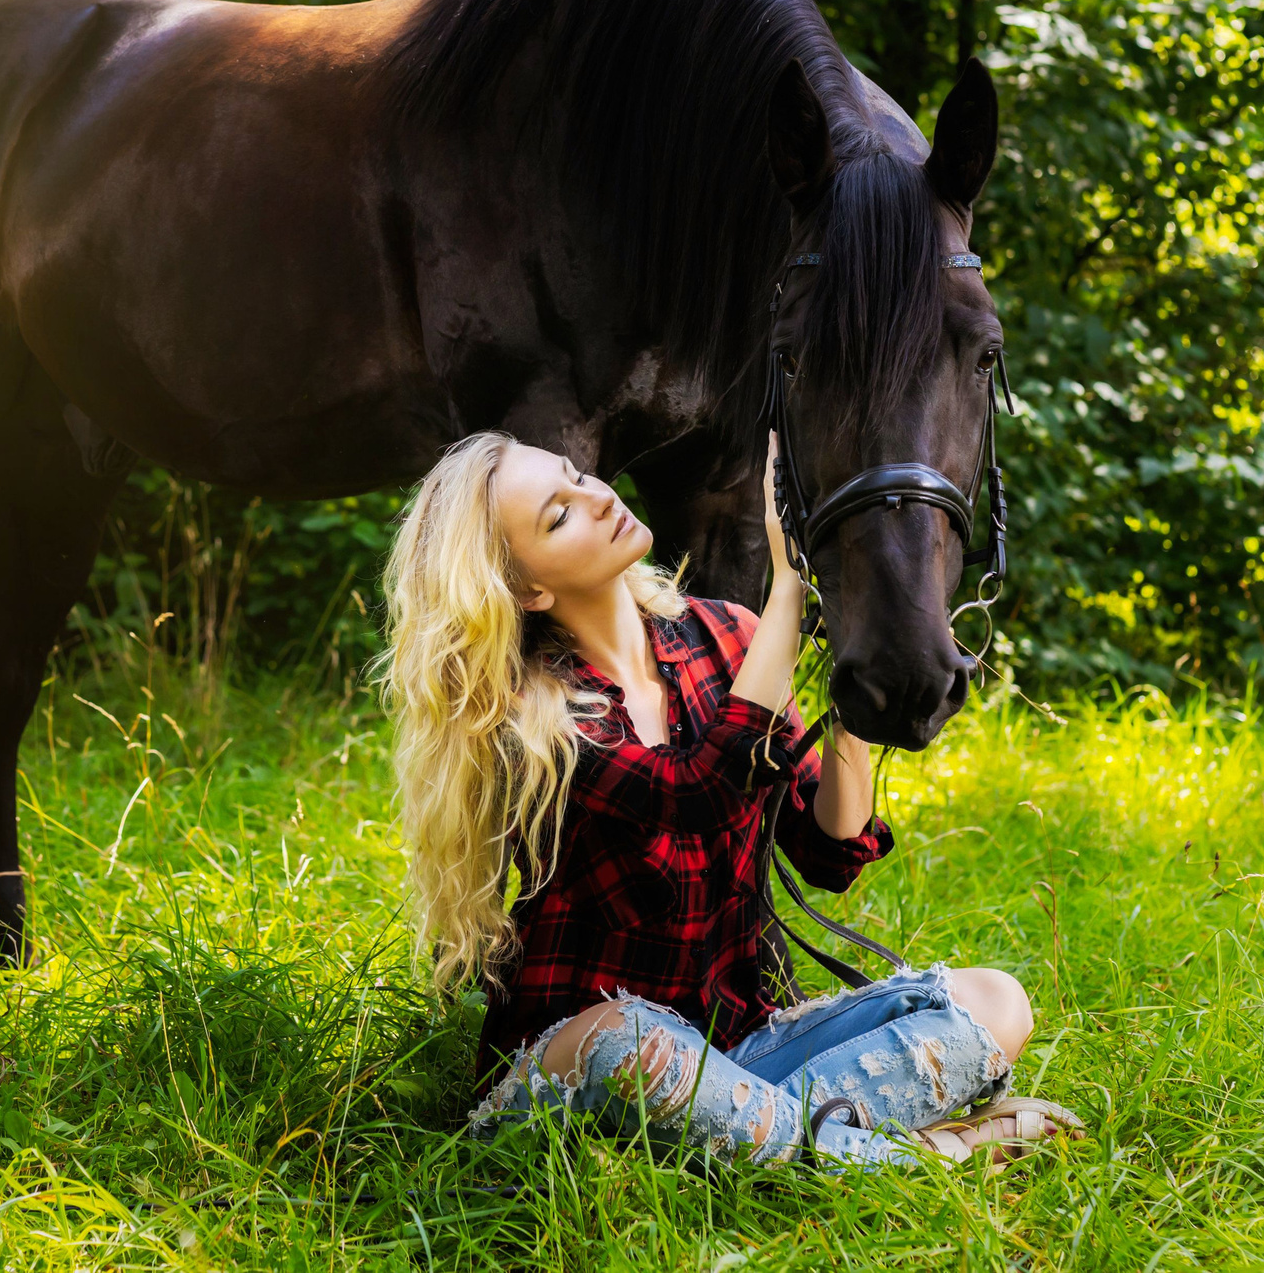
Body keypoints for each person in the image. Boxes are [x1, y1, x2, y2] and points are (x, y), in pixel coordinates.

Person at [379, 430, 1084, 1168]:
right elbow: (694, 793)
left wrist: (855, 694)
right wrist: (785, 587)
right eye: (559, 515)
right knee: (627, 1037)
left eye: (578, 475)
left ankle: (765, 1141)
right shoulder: (533, 712)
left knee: (996, 1001)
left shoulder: (726, 637)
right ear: (527, 590)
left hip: (740, 1046)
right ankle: (929, 1159)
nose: (597, 496)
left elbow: (830, 850)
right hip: (596, 1065)